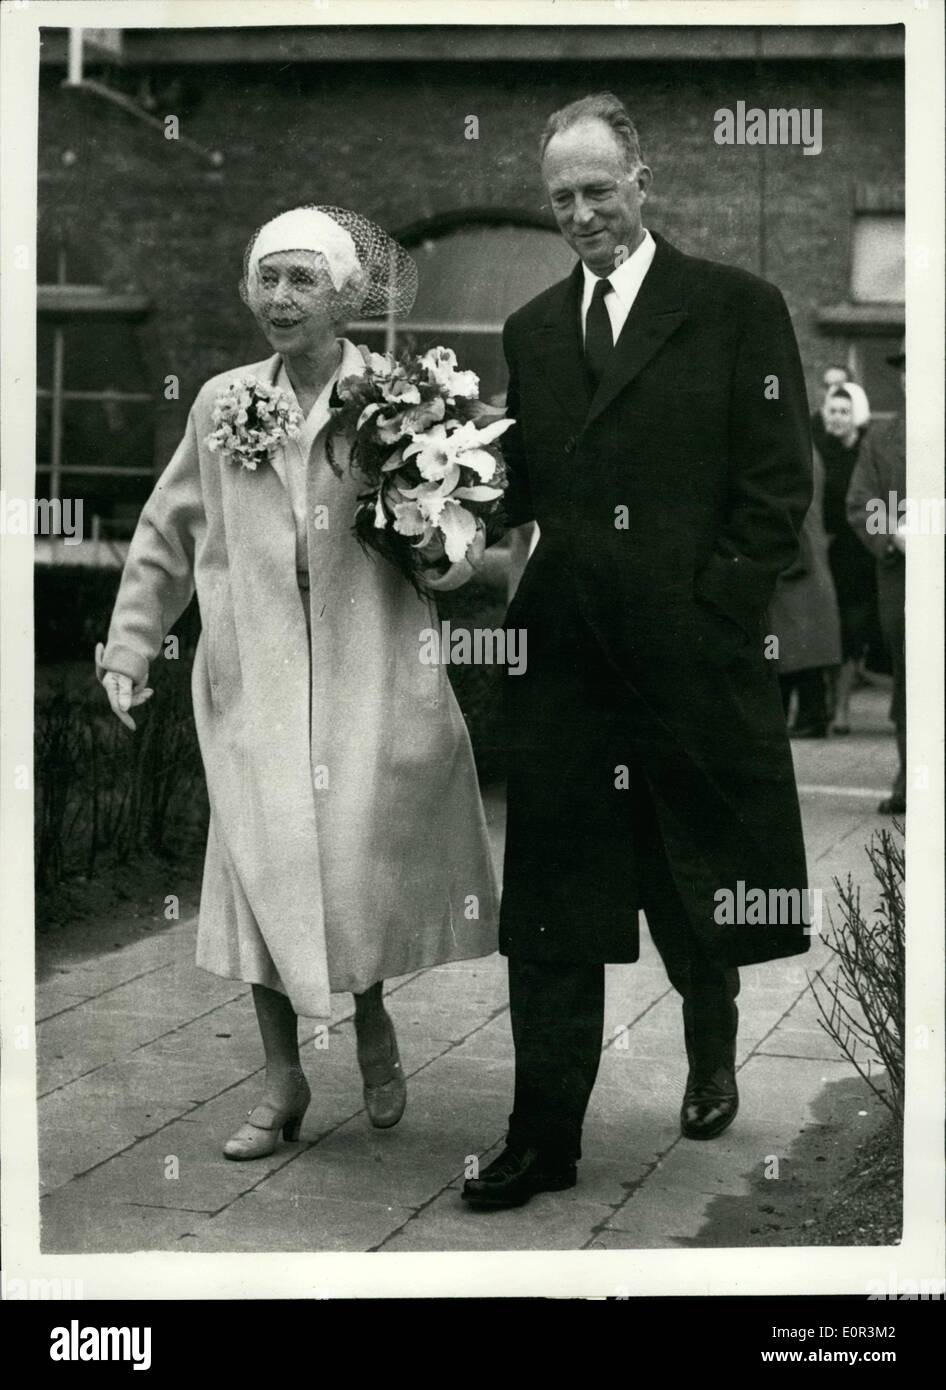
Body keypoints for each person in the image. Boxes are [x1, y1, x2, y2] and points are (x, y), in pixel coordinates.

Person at [456, 93, 813, 1209]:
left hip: (690, 661)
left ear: (641, 183)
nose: (579, 214)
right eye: (560, 197)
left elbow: (773, 487)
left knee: (690, 879)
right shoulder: (531, 331)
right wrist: (439, 499)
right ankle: (540, 1137)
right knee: (552, 904)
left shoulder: (734, 308)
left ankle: (711, 1039)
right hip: (568, 664)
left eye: (597, 191)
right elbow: (528, 486)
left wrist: (715, 615)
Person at [96, 206, 499, 1158]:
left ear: (345, 295)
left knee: (352, 861)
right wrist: (128, 646)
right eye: (266, 278)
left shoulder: (400, 398)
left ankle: (371, 1025)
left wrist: (446, 558)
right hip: (257, 675)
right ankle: (280, 1080)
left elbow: (456, 536)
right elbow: (167, 531)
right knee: (260, 865)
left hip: (370, 671)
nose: (278, 299)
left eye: (301, 280)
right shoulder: (223, 400)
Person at [846, 340, 907, 814]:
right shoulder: (882, 441)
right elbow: (861, 503)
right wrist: (892, 536)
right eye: (906, 370)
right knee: (908, 684)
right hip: (903, 581)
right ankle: (911, 777)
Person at [768, 449, 842, 738]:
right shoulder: (808, 452)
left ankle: (806, 717)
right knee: (804, 646)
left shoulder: (792, 453)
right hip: (807, 557)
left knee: (792, 647)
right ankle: (811, 715)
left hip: (796, 559)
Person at [818, 383, 877, 733]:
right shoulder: (819, 451)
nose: (837, 418)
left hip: (858, 553)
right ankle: (828, 702)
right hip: (827, 550)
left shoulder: (866, 453)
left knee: (853, 631)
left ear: (856, 414)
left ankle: (842, 708)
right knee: (829, 628)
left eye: (844, 411)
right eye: (832, 411)